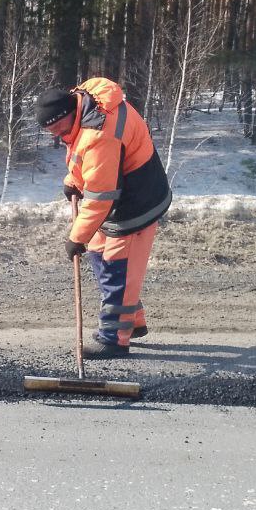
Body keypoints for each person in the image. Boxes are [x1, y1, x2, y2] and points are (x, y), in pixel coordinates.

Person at [36, 77, 172, 359]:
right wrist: (73, 179)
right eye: (51, 131)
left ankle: (114, 339)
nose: (57, 136)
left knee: (116, 269)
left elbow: (100, 197)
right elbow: (79, 149)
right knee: (99, 255)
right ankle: (132, 321)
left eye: (58, 128)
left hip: (136, 202)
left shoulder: (100, 135)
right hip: (120, 193)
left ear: (70, 113)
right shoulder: (86, 104)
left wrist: (76, 237)